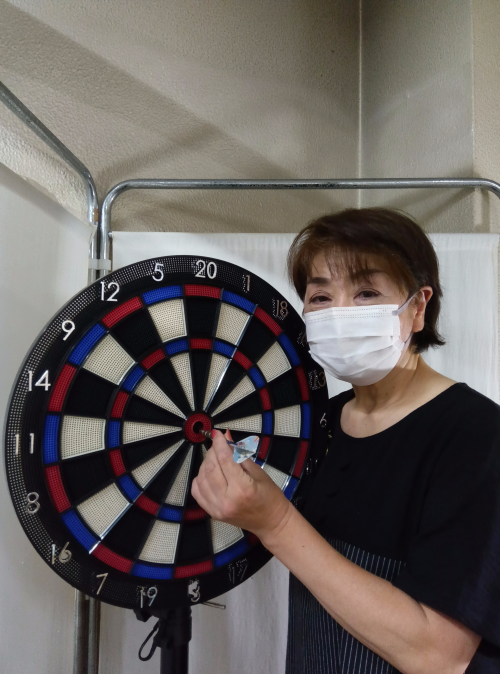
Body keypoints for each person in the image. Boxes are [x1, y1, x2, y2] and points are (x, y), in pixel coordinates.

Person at [192, 208, 500, 673]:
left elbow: (438, 656)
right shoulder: (321, 424)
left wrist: (276, 522)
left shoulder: (476, 435)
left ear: (418, 308)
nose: (339, 314)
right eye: (320, 296)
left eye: (367, 293)